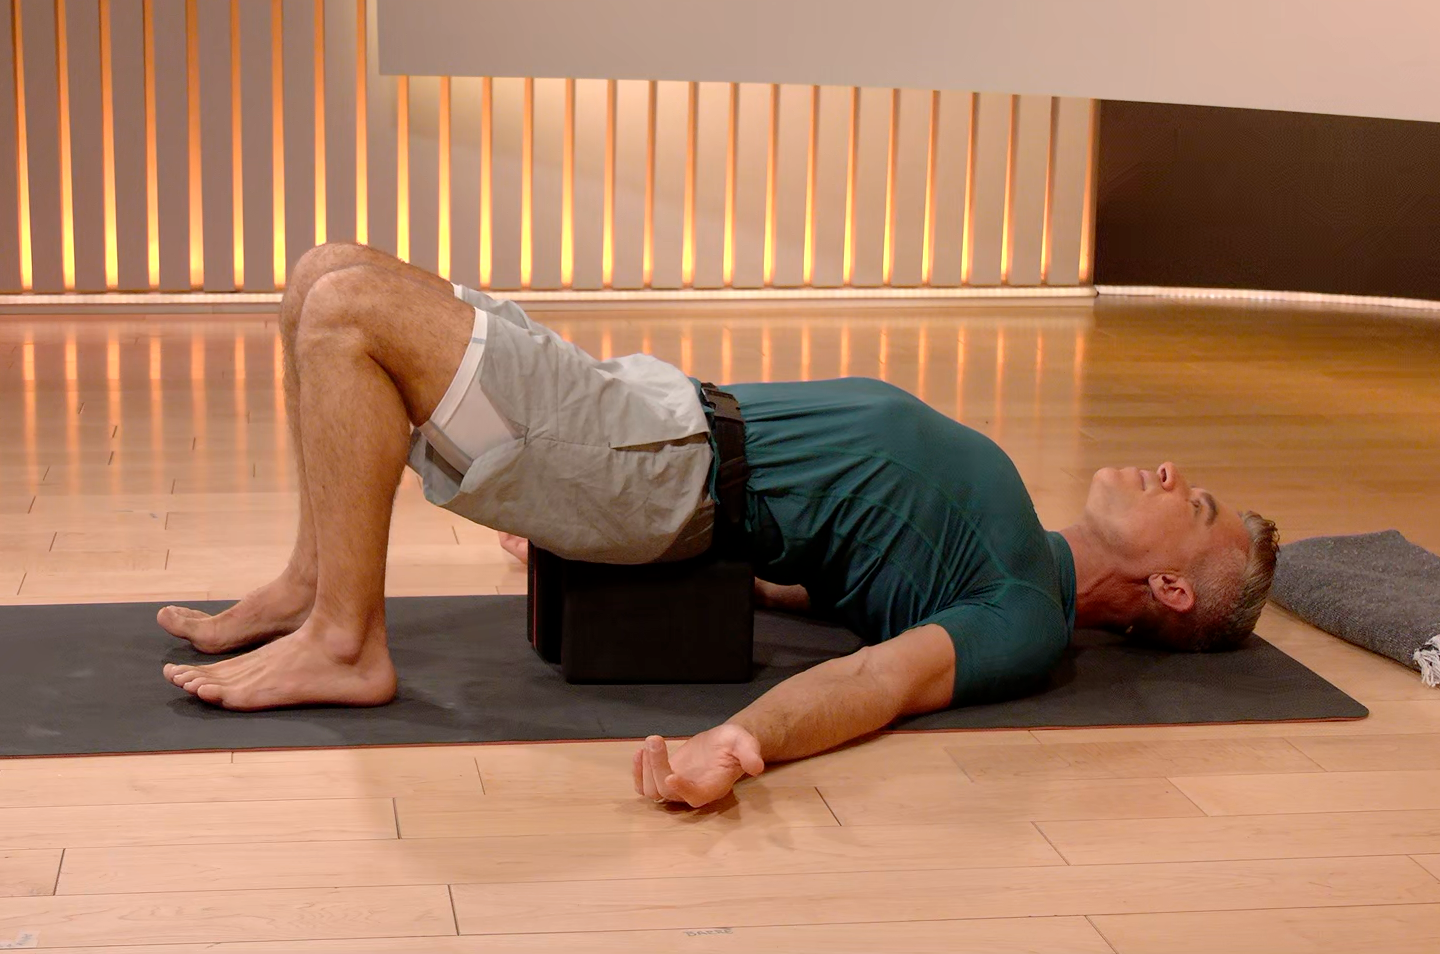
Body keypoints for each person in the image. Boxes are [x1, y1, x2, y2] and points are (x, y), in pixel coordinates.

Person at [157, 243, 1279, 808]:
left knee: (349, 309)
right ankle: (314, 582)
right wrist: (602, 542)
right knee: (320, 279)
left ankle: (349, 641)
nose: (1176, 475)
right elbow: (831, 580)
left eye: (1200, 505)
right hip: (653, 432)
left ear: (1172, 590)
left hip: (657, 463)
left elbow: (876, 680)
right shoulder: (1004, 544)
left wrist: (737, 747)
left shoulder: (1024, 617)